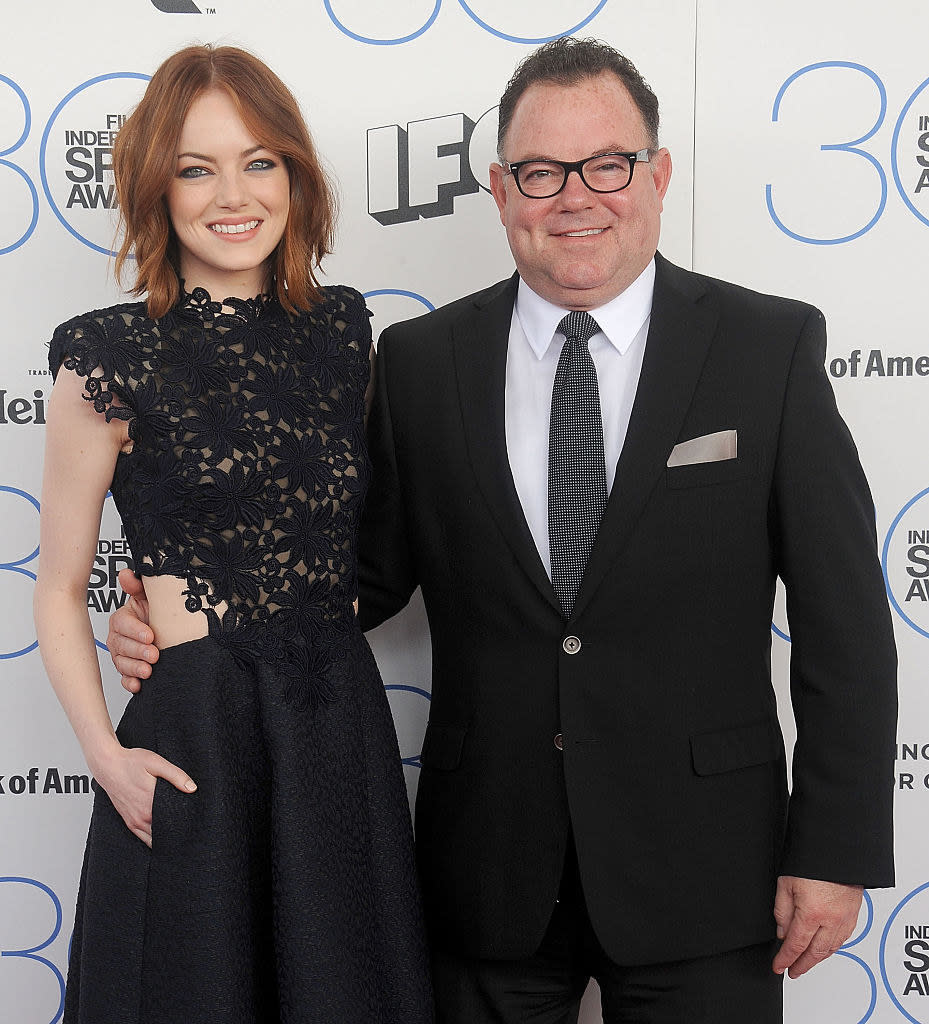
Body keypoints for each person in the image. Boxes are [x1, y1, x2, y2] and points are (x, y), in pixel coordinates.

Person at [108, 37, 897, 1024]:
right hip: (484, 876)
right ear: (498, 190)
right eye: (539, 172)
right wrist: (184, 623)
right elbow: (356, 576)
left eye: (606, 164)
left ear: (654, 174)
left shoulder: (764, 348)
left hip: (705, 872)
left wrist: (832, 850)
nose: (575, 196)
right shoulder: (420, 362)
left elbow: (845, 627)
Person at [34, 44, 431, 1024]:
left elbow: (361, 543)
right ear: (154, 187)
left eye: (258, 161)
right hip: (194, 731)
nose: (232, 194)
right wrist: (105, 754)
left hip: (331, 721)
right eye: (196, 167)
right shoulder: (107, 354)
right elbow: (55, 585)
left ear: (293, 173)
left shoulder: (344, 334)